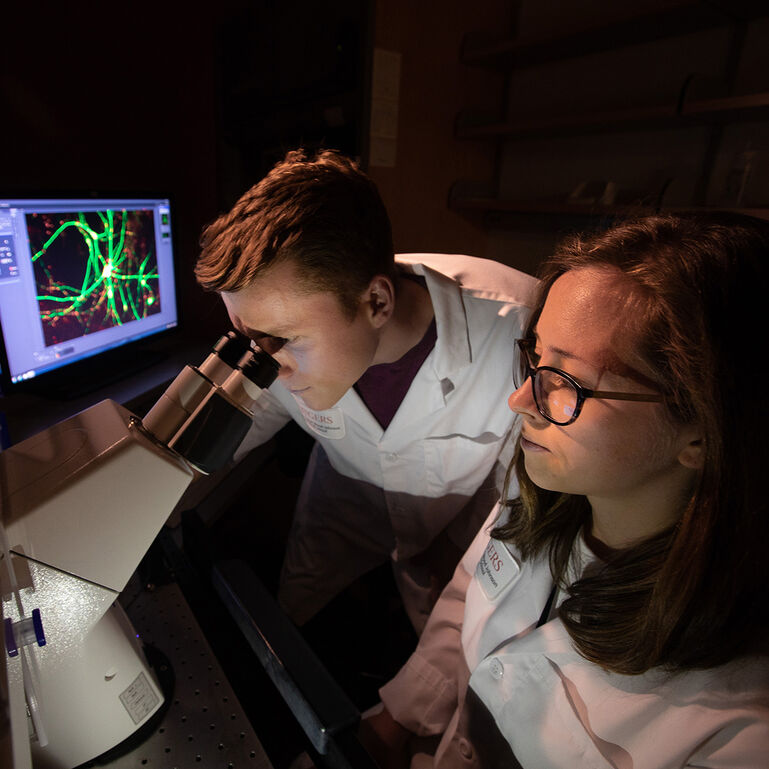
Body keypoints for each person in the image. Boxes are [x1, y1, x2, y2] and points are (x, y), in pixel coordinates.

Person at [361, 211, 769, 768]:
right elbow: (467, 595)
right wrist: (393, 723)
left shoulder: (739, 730)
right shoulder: (539, 497)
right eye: (535, 359)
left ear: (701, 428)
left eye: (568, 382)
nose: (522, 401)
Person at [194, 148, 537, 633]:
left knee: (445, 645)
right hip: (342, 495)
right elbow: (204, 445)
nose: (266, 364)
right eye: (250, 337)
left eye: (285, 340)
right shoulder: (279, 330)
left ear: (377, 301)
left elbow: (526, 520)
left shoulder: (520, 336)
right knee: (295, 622)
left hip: (460, 521)